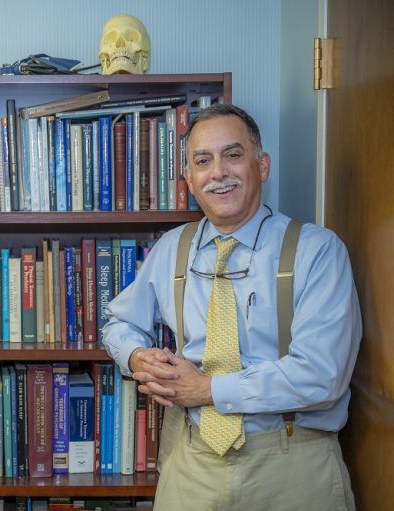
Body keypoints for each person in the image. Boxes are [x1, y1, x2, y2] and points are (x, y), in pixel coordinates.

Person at [102, 104, 361, 510]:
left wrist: (207, 390)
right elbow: (118, 323)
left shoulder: (317, 251)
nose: (219, 172)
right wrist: (137, 356)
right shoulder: (171, 249)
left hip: (293, 465)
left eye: (233, 155)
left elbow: (322, 374)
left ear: (262, 166)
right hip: (192, 466)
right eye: (203, 161)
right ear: (189, 179)